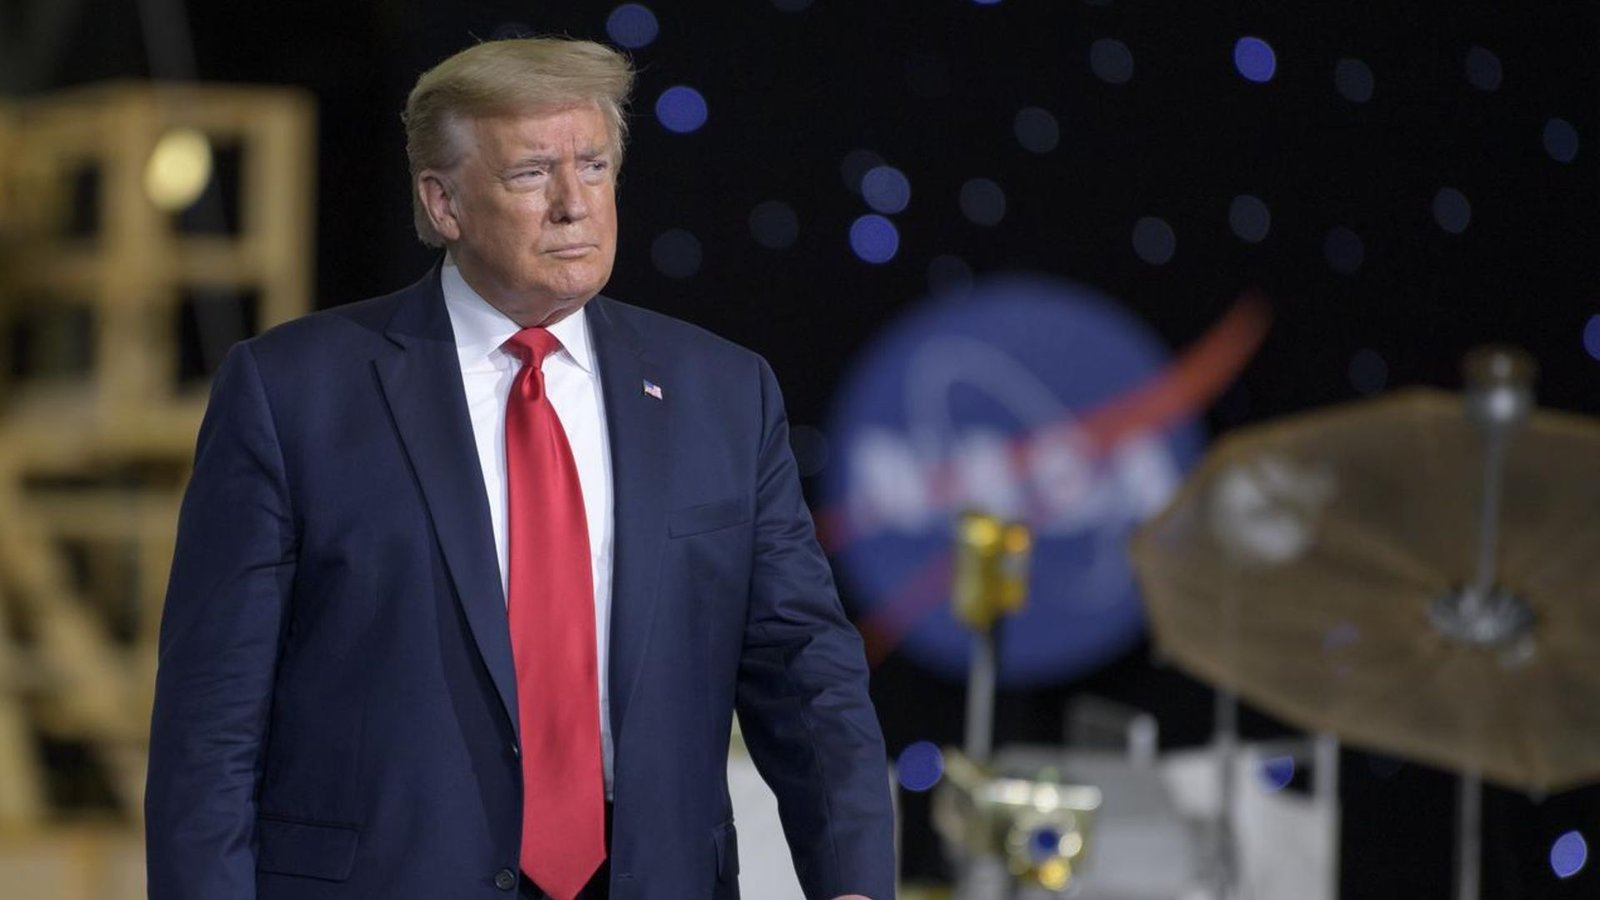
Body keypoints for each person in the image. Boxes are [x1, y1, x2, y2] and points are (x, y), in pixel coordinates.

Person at [145, 36, 895, 900]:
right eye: (533, 174)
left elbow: (805, 670)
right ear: (444, 202)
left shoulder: (724, 393)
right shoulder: (292, 393)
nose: (575, 205)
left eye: (595, 166)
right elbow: (211, 720)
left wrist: (854, 883)